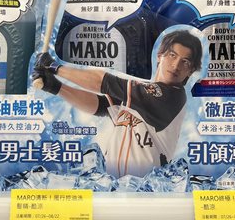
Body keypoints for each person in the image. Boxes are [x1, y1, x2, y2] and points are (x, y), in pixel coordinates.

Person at [32, 28, 203, 178]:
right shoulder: (140, 95)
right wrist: (56, 87)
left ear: (190, 71)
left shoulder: (172, 96)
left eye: (185, 62)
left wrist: (54, 67)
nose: (176, 65)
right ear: (160, 56)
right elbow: (100, 105)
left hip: (146, 191)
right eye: (172, 55)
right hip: (114, 185)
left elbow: (103, 82)